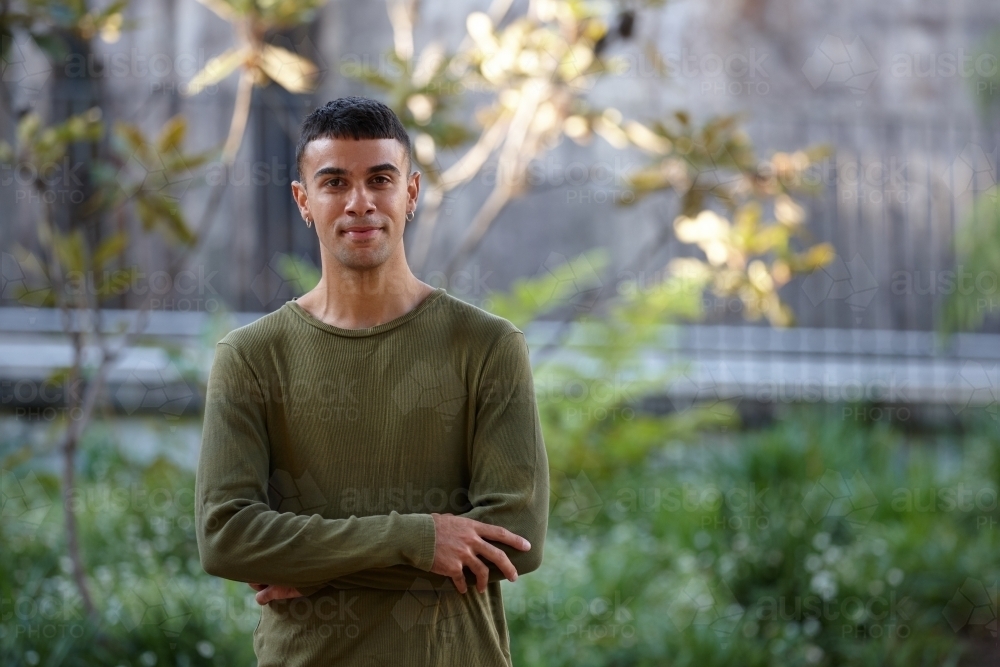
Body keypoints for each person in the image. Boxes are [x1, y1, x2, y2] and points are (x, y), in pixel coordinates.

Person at [195, 96, 549, 667]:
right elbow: (226, 537)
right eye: (334, 183)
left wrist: (314, 563)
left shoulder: (487, 346)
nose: (360, 202)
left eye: (379, 179)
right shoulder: (251, 358)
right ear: (303, 200)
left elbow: (515, 537)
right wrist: (415, 539)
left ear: (410, 192)